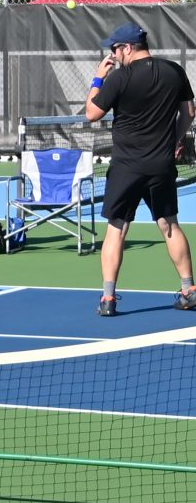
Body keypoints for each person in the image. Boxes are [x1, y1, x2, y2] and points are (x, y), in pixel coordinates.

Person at [83, 20, 196, 316]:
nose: (113, 54)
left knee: (116, 230)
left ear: (128, 48)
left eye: (115, 48)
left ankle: (108, 299)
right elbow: (189, 112)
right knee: (169, 225)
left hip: (126, 167)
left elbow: (92, 113)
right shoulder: (174, 71)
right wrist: (176, 138)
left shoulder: (119, 78)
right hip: (161, 164)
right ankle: (189, 290)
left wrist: (98, 78)